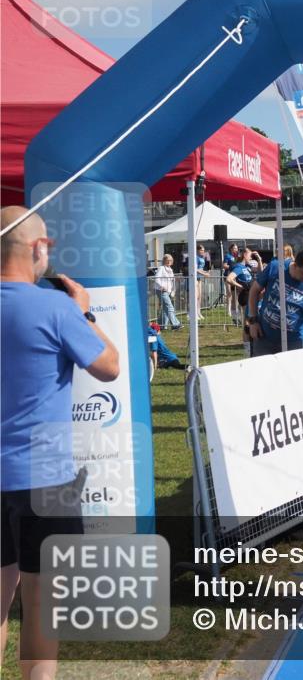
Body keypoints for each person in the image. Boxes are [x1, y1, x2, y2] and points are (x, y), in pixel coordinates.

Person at [1, 206, 120, 680]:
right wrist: (84, 311)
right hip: (43, 479)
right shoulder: (55, 308)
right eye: (46, 242)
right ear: (35, 248)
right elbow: (108, 365)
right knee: (41, 604)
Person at [247, 249, 303, 354]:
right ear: (295, 265)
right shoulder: (275, 268)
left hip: (294, 341)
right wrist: (253, 321)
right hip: (265, 336)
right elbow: (254, 291)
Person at [153, 254, 182, 330]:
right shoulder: (161, 268)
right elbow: (156, 278)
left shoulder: (170, 269)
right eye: (168, 260)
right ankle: (175, 324)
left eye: (171, 260)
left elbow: (171, 280)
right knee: (170, 307)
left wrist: (175, 283)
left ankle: (161, 325)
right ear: (164, 260)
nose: (169, 261)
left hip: (168, 291)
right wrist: (161, 286)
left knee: (166, 308)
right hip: (161, 290)